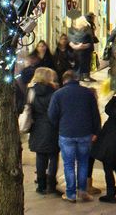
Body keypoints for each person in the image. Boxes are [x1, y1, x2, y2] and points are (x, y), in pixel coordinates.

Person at [47, 70, 101, 203]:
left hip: (66, 133)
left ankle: (70, 194)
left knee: (69, 164)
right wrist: (96, 132)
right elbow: (95, 114)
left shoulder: (58, 94)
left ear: (64, 80)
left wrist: (59, 125)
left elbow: (51, 115)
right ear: (77, 79)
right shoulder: (88, 93)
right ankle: (83, 191)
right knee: (83, 162)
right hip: (85, 133)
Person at [26, 67, 62, 195]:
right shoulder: (54, 92)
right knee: (53, 156)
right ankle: (51, 185)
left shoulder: (31, 91)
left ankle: (41, 185)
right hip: (52, 127)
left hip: (37, 127)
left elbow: (28, 107)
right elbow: (57, 110)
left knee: (40, 156)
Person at [70, 15, 98, 82]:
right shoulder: (85, 27)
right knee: (83, 63)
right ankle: (82, 77)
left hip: (83, 49)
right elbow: (86, 37)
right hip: (84, 50)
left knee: (84, 63)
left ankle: (83, 77)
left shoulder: (81, 27)